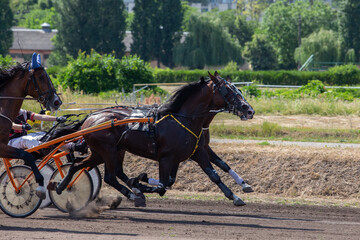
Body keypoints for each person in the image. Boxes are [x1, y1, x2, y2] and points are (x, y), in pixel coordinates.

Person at [9, 109, 86, 153]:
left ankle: (73, 146)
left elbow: (41, 117)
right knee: (26, 140)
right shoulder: (5, 113)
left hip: (22, 137)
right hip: (9, 143)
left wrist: (57, 118)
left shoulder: (23, 112)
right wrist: (22, 126)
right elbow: (10, 124)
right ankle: (43, 148)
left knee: (46, 134)